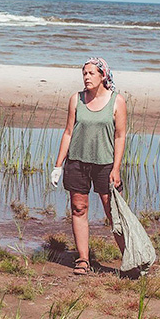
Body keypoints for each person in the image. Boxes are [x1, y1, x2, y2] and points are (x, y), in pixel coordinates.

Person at [50, 57, 127, 275]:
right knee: (78, 208)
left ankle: (129, 259)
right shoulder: (76, 99)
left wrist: (116, 168)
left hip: (105, 164)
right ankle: (83, 259)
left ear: (103, 76)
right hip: (77, 162)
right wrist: (58, 165)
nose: (86, 77)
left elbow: (120, 136)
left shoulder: (117, 101)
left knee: (113, 213)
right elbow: (68, 132)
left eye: (91, 73)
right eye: (84, 73)